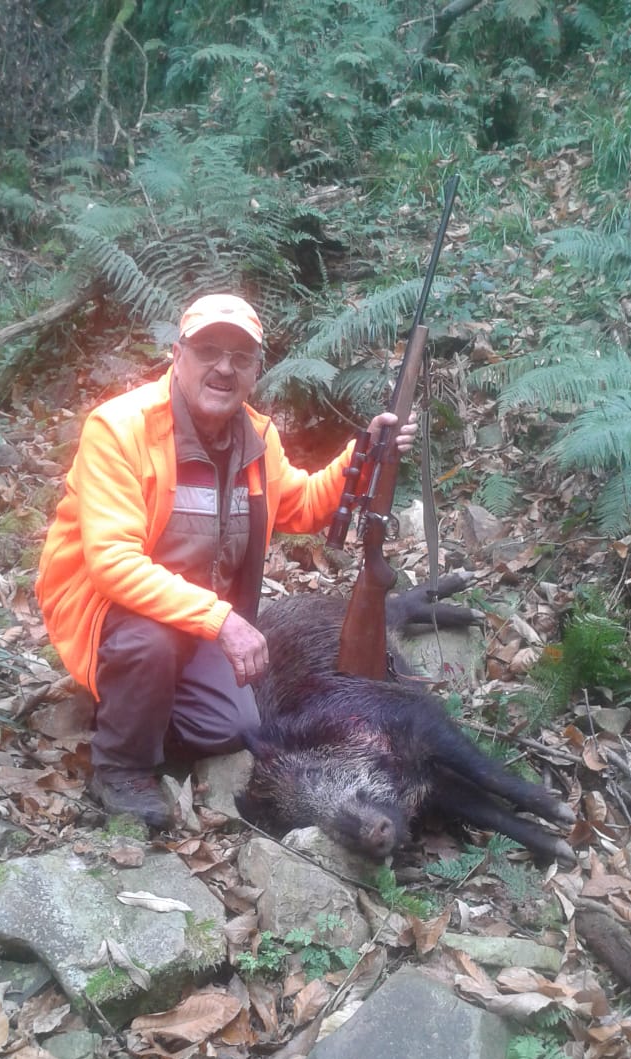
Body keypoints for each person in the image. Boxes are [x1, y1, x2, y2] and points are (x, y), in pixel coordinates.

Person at [36, 293, 417, 826]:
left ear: (256, 371)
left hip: (199, 624)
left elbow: (302, 506)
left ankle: (137, 703)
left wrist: (362, 456)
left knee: (230, 728)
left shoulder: (257, 437)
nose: (224, 367)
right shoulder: (120, 428)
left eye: (241, 357)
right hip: (110, 610)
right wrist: (223, 622)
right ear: (178, 355)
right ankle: (120, 767)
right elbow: (113, 562)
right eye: (208, 350)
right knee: (150, 640)